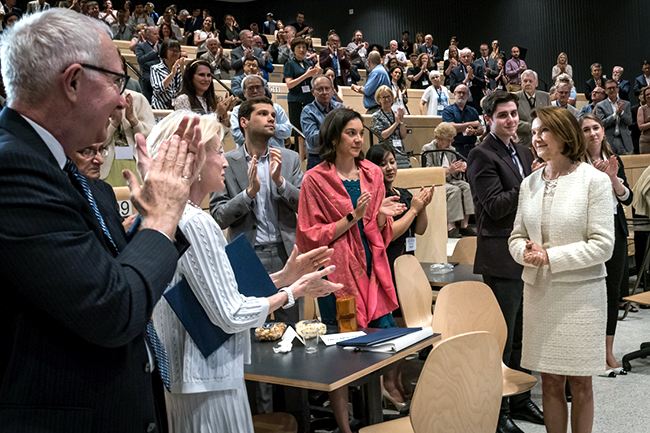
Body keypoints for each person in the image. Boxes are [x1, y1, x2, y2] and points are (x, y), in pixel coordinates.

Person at [0, 8, 204, 432]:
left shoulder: (68, 174)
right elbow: (113, 308)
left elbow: (105, 268)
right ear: (73, 81)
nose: (121, 98)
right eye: (116, 80)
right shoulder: (12, 169)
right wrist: (163, 215)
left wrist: (154, 212)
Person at [148, 109, 340, 433]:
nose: (224, 161)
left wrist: (283, 278)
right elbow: (231, 313)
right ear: (192, 160)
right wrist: (294, 292)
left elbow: (213, 291)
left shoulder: (174, 215)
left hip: (192, 379)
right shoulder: (197, 222)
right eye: (217, 151)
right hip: (209, 380)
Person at [296, 108, 406, 433]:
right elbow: (308, 234)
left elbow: (377, 231)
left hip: (372, 268)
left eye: (361, 133)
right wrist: (353, 218)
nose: (359, 139)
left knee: (382, 341)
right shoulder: (315, 179)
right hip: (337, 275)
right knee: (341, 352)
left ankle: (373, 414)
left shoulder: (372, 172)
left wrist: (381, 216)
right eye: (351, 133)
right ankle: (345, 427)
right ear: (334, 138)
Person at [508, 106, 614, 433]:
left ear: (565, 135)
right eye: (534, 132)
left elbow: (603, 245)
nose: (535, 138)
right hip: (540, 294)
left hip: (581, 297)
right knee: (550, 381)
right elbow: (516, 236)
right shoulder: (529, 184)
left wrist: (550, 256)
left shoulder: (593, 181)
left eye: (543, 132)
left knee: (580, 383)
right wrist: (524, 252)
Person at [467, 91, 543, 433]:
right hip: (500, 256)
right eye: (503, 115)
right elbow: (495, 206)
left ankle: (520, 400)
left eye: (513, 113)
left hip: (525, 253)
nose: (511, 119)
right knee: (504, 337)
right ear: (489, 119)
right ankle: (496, 412)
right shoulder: (481, 155)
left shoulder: (524, 151)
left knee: (523, 338)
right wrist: (530, 183)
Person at [581, 113, 633, 377]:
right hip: (589, 232)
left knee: (612, 291)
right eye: (587, 129)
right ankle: (592, 352)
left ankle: (608, 350)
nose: (593, 133)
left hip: (615, 229)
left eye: (596, 127)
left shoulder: (615, 159)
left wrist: (613, 177)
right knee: (593, 293)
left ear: (603, 130)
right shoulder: (577, 164)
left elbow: (627, 199)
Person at [366, 142, 432, 315]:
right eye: (382, 164)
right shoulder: (375, 198)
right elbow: (390, 233)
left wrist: (422, 206)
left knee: (414, 311)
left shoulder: (403, 193)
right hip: (388, 263)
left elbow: (420, 230)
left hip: (409, 260)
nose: (389, 168)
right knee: (398, 313)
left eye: (392, 162)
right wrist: (414, 210)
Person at [422, 122, 475, 237]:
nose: (450, 143)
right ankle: (451, 227)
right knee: (454, 190)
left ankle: (464, 225)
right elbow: (428, 171)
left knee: (467, 187)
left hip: (450, 180)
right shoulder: (427, 149)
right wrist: (447, 171)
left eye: (451, 140)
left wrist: (458, 170)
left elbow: (454, 174)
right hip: (435, 181)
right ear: (439, 138)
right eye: (448, 140)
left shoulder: (451, 149)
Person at [100, 89, 154, 187]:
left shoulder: (138, 98)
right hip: (106, 165)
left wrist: (133, 121)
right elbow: (93, 143)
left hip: (137, 163)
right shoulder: (95, 99)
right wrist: (113, 124)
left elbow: (152, 138)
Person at [230, 75, 291, 150]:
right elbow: (238, 137)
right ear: (244, 92)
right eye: (251, 88)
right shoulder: (237, 111)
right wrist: (262, 128)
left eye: (258, 87)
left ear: (264, 90)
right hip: (248, 156)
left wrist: (266, 127)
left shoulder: (276, 108)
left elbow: (287, 131)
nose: (255, 91)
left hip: (276, 153)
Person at [301, 74, 344, 167]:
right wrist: (334, 124)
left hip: (339, 156)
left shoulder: (339, 107)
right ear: (313, 92)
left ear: (332, 90)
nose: (324, 92)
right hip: (318, 158)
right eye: (320, 89)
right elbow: (313, 140)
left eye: (327, 88)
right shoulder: (308, 111)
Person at [284, 36, 318, 152]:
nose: (302, 50)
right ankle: (299, 158)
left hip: (309, 99)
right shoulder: (290, 64)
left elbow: (312, 81)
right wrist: (306, 75)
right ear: (293, 49)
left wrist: (315, 75)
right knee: (298, 130)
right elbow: (289, 84)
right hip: (296, 100)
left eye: (304, 47)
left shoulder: (309, 63)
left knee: (310, 127)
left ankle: (310, 155)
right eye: (299, 47)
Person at [372, 85, 409, 169]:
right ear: (379, 99)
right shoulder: (376, 116)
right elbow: (382, 136)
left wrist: (402, 121)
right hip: (386, 152)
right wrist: (396, 123)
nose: (387, 100)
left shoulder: (396, 113)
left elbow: (403, 136)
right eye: (383, 97)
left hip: (400, 150)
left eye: (388, 96)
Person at [441, 84, 483, 158]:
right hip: (455, 149)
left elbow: (480, 130)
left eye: (464, 93)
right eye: (459, 92)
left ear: (468, 95)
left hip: (472, 148)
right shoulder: (448, 110)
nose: (461, 95)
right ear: (454, 94)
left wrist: (474, 132)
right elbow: (451, 128)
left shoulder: (473, 111)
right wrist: (471, 124)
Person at [595, 79, 633, 155]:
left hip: (624, 141)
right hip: (608, 141)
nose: (612, 90)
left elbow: (629, 122)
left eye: (614, 87)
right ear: (605, 91)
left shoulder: (626, 104)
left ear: (618, 89)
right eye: (609, 88)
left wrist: (621, 113)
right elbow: (601, 123)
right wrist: (615, 115)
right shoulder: (600, 106)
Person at [516, 69, 551, 147]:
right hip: (523, 143)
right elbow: (514, 121)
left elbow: (550, 118)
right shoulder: (515, 98)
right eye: (525, 81)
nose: (528, 83)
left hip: (543, 142)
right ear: (521, 83)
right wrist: (533, 127)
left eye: (530, 81)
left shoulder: (545, 97)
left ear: (536, 83)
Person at [150, 38, 184, 110]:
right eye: (172, 50)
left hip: (178, 108)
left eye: (177, 51)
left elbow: (189, 87)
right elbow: (157, 88)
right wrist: (172, 74)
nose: (175, 53)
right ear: (164, 51)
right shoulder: (156, 68)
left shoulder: (182, 68)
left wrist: (183, 71)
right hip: (160, 106)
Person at [449, 47, 486, 113]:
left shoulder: (478, 67)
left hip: (476, 102)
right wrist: (464, 81)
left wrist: (473, 77)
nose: (466, 59)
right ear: (460, 58)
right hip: (462, 103)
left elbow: (483, 84)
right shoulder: (455, 71)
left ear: (471, 57)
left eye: (468, 56)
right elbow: (452, 88)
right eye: (464, 57)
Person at [135, 25, 159, 101]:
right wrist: (153, 52)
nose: (157, 36)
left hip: (159, 76)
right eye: (155, 34)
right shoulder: (140, 46)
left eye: (157, 34)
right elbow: (140, 60)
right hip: (147, 76)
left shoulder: (160, 46)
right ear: (147, 35)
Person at [637, 86, 650, 153]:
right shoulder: (641, 109)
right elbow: (641, 127)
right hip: (646, 141)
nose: (649, 96)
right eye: (647, 94)